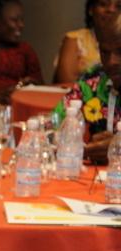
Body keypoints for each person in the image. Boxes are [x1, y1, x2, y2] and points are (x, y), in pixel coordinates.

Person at [54, 10, 121, 163]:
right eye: (105, 52)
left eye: (120, 52)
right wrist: (75, 145)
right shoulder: (93, 81)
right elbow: (49, 131)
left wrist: (117, 150)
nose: (112, 61)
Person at [53, 0, 120, 84]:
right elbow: (67, 84)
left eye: (119, 6)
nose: (111, 10)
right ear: (91, 9)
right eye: (103, 4)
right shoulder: (75, 39)